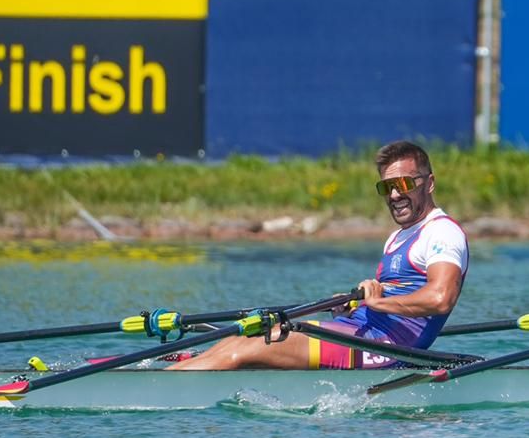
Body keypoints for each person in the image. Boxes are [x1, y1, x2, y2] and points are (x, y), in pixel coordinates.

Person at [172, 141, 467, 370]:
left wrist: (378, 301)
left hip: (385, 349)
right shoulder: (397, 237)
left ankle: (163, 387)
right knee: (244, 337)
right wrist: (357, 305)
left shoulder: (442, 232)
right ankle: (175, 374)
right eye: (386, 187)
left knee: (247, 348)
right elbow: (396, 295)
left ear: (429, 183)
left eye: (403, 184)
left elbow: (441, 298)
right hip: (360, 331)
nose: (393, 195)